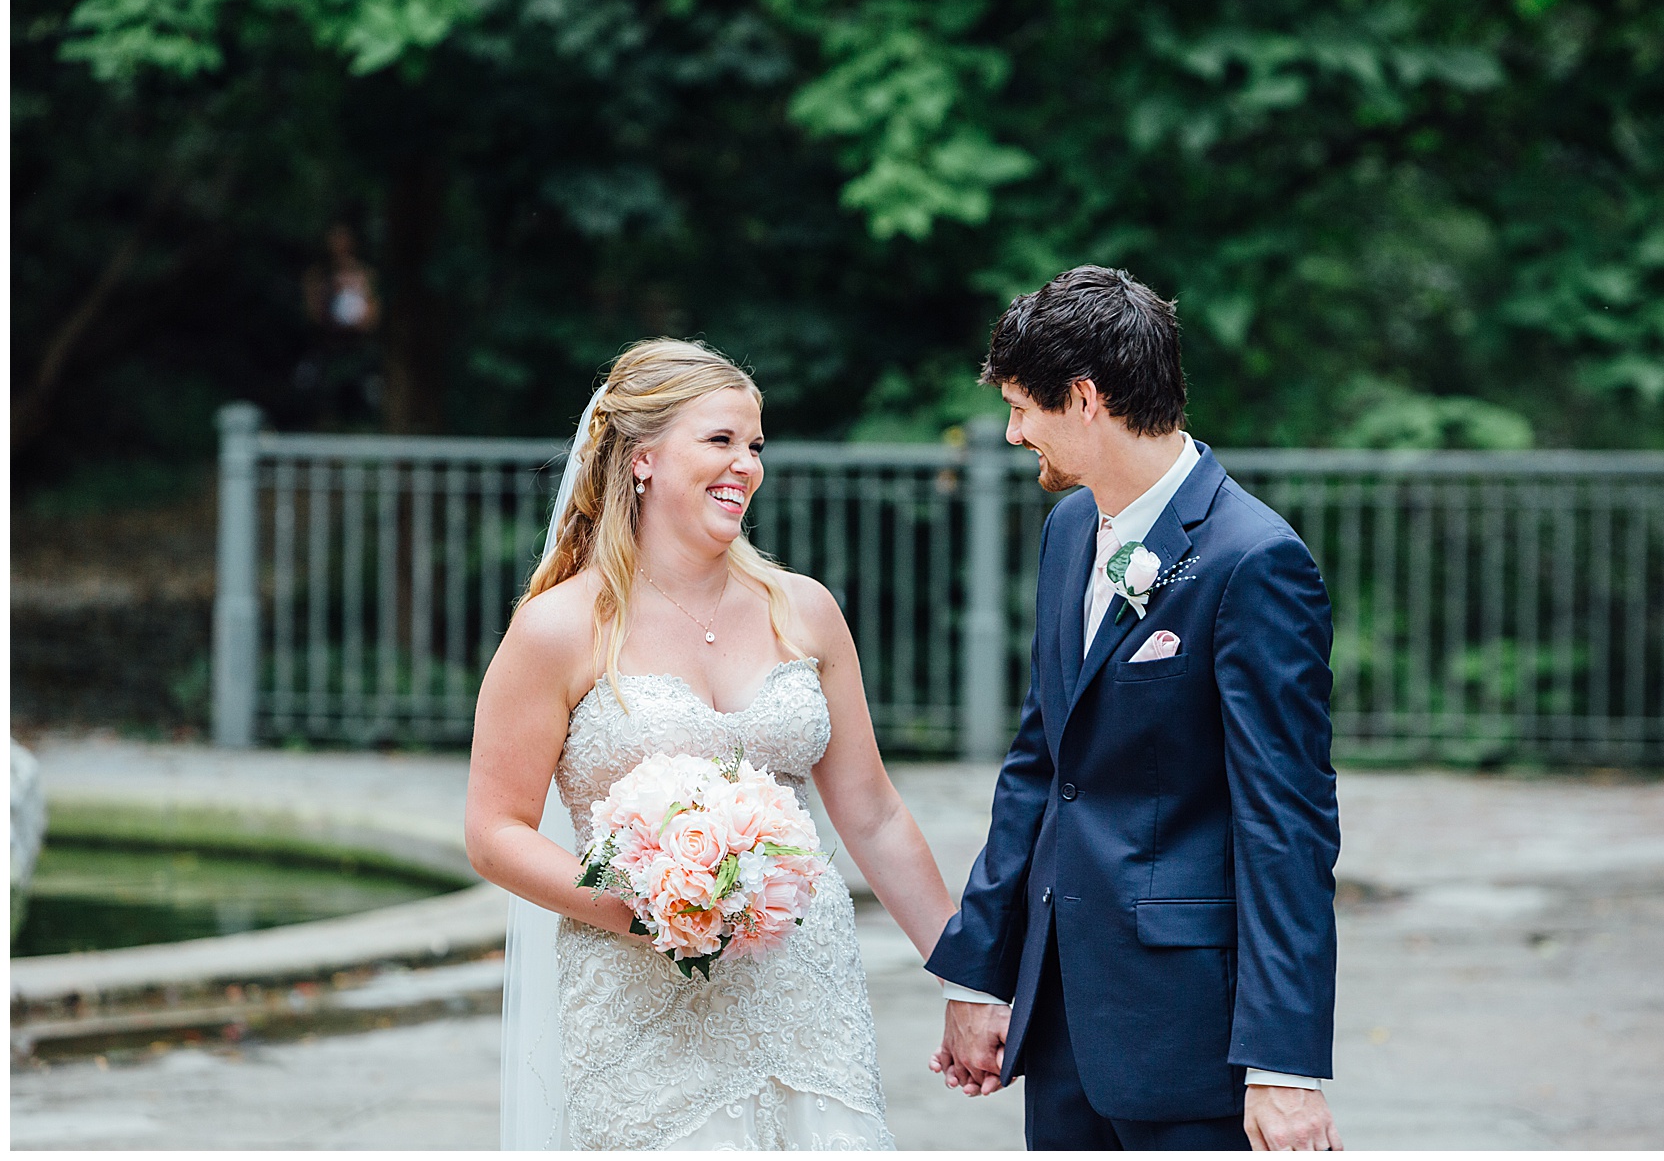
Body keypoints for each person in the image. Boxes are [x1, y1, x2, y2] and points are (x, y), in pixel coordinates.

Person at [465, 339, 959, 1150]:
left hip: (807, 999)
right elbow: (494, 831)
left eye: (755, 444)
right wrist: (652, 908)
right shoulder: (559, 628)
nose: (746, 464)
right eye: (721, 440)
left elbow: (870, 814)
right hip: (640, 1014)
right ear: (642, 458)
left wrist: (965, 970)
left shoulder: (804, 611)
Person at [925, 267, 1344, 1151]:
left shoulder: (1255, 560)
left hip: (1191, 1038)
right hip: (1063, 1019)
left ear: (1082, 399)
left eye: (1021, 408)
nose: (1011, 432)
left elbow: (1286, 825)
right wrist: (980, 976)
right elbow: (1043, 762)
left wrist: (1283, 1065)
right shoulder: (1069, 530)